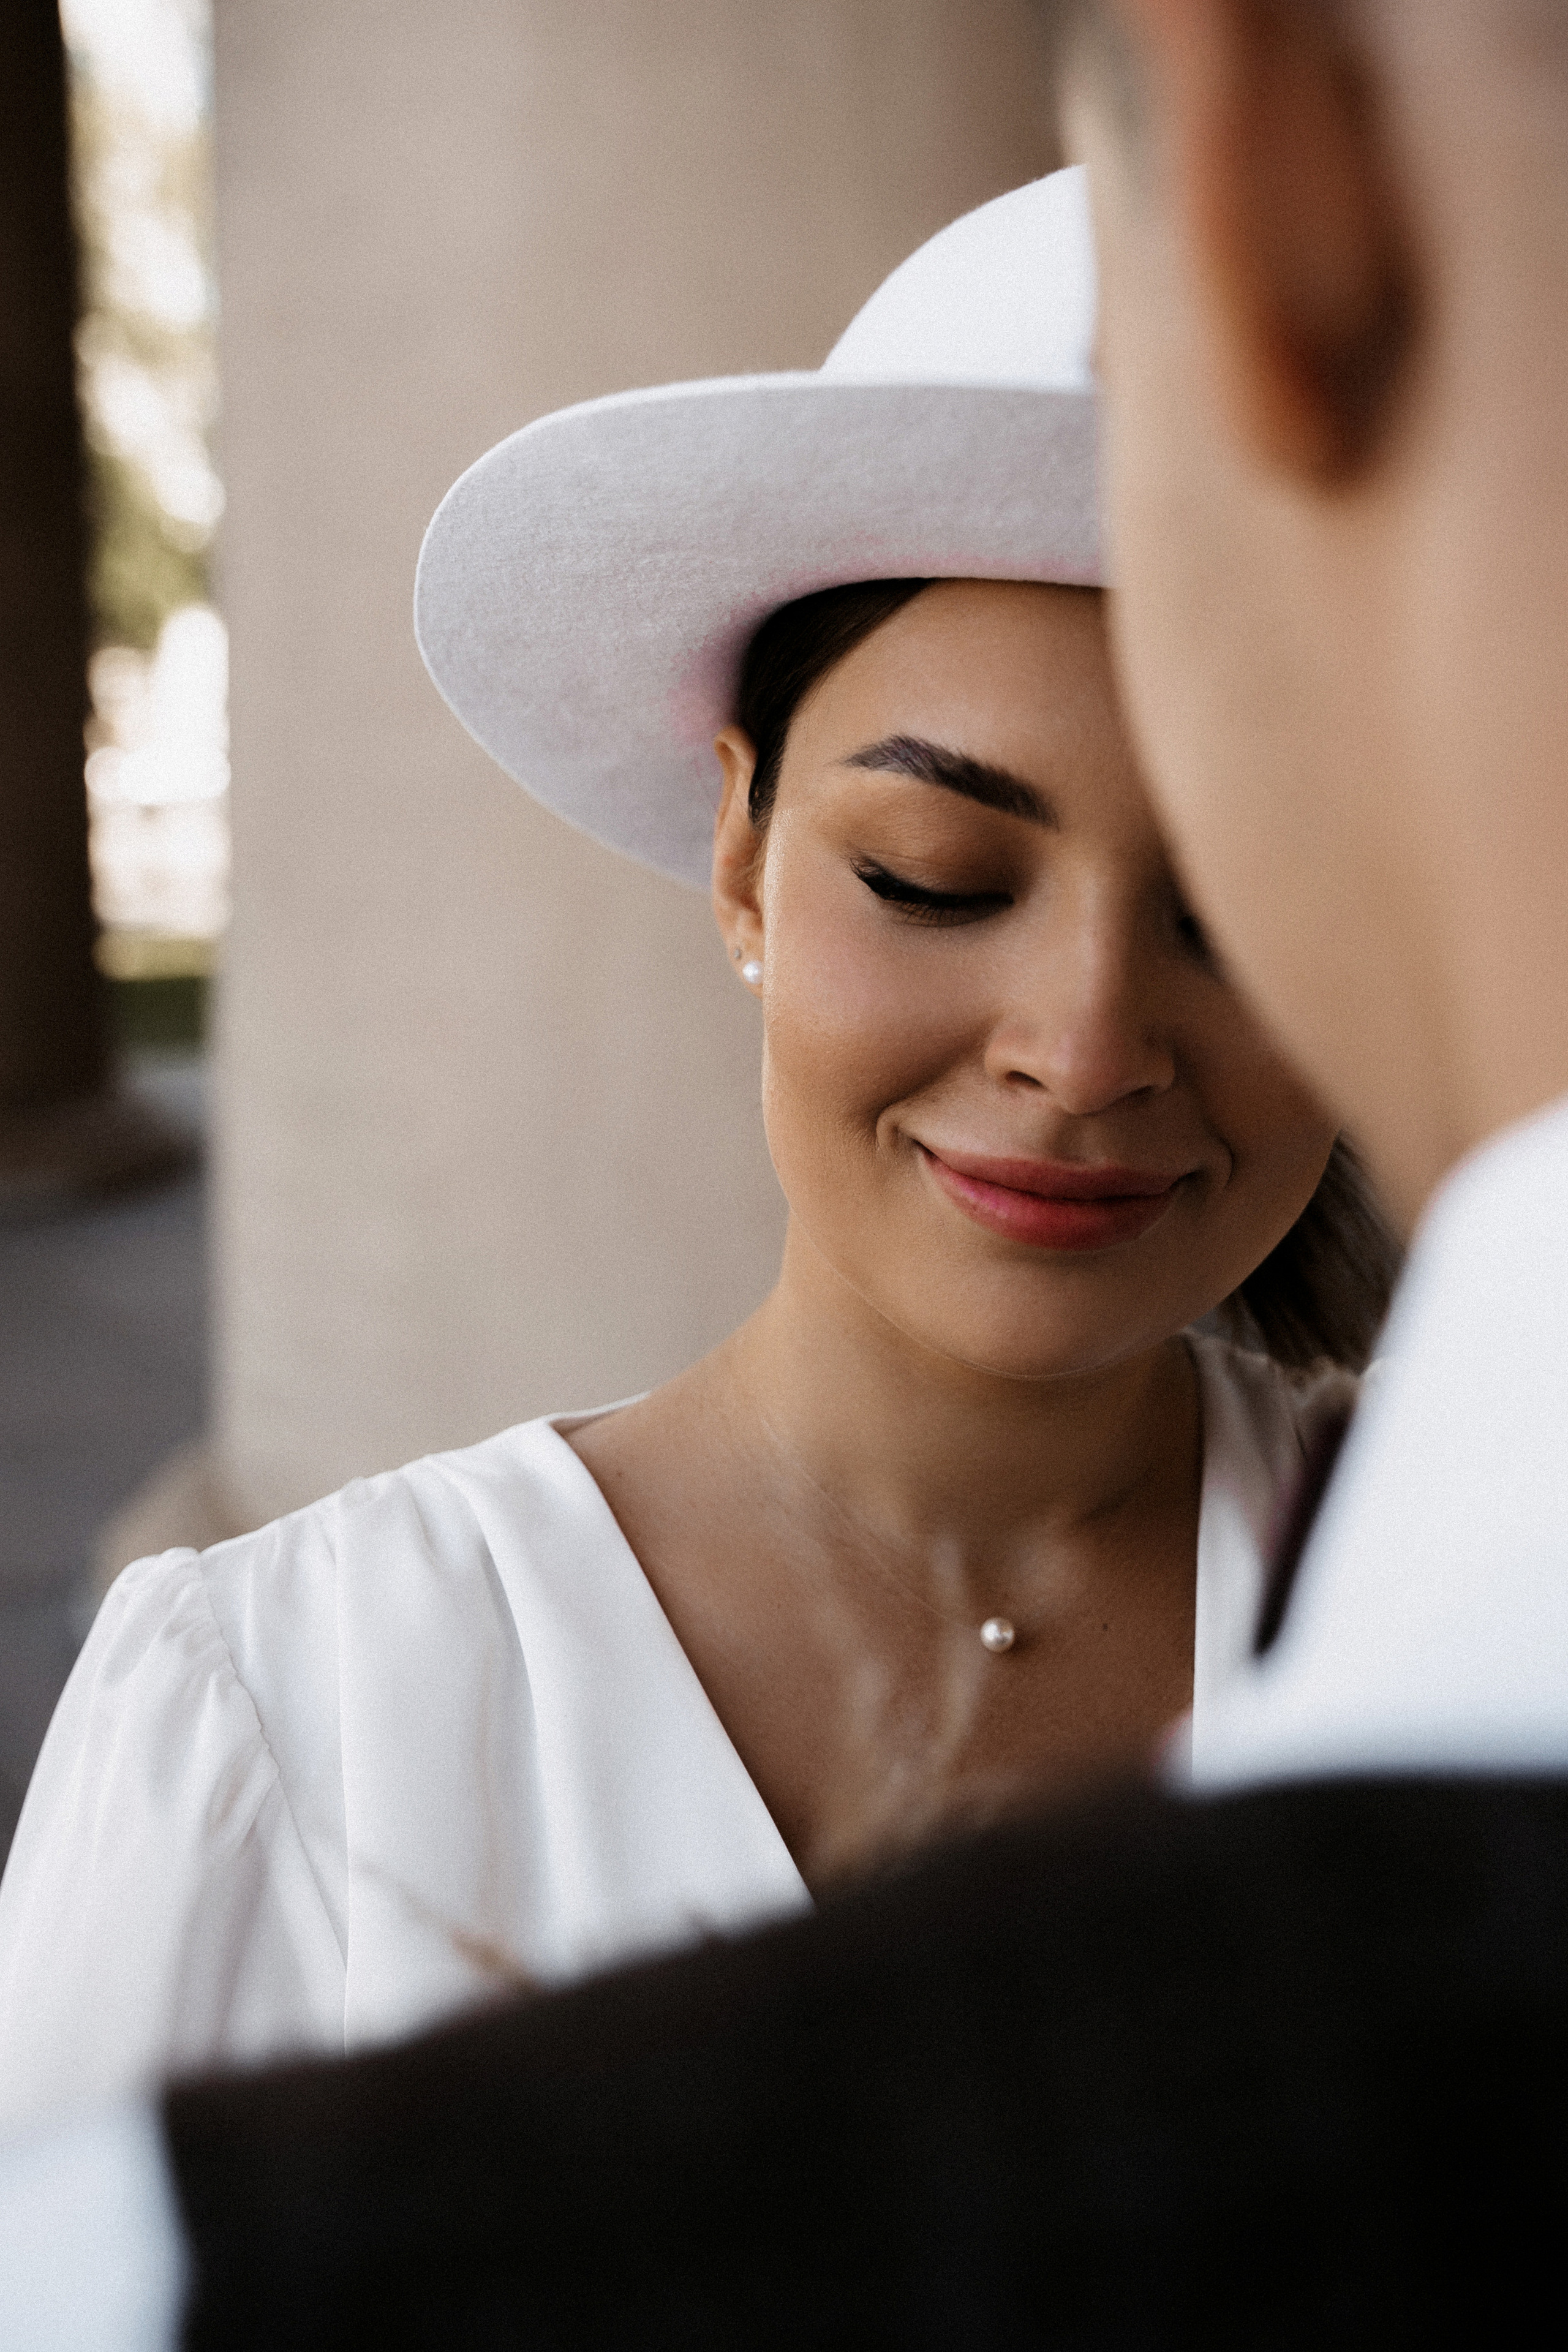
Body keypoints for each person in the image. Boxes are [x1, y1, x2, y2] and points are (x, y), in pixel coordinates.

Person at [4, 0, 1567, 2340]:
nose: (1082, 1047)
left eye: (1245, 910)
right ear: (741, 854)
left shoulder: (1471, 1606)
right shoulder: (281, 1701)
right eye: (935, 877)